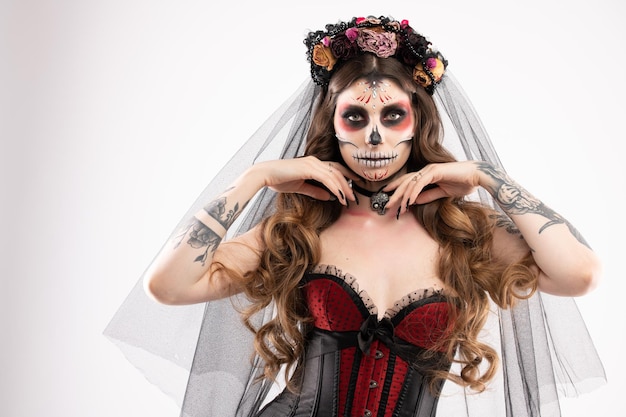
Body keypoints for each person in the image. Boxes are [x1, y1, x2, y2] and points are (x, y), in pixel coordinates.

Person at [105, 15, 606, 417]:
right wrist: (254, 178)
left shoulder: (465, 229)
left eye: (392, 117)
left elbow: (579, 274)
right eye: (355, 116)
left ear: (417, 123)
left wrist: (488, 177)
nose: (374, 138)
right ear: (333, 123)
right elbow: (168, 286)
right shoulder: (300, 227)